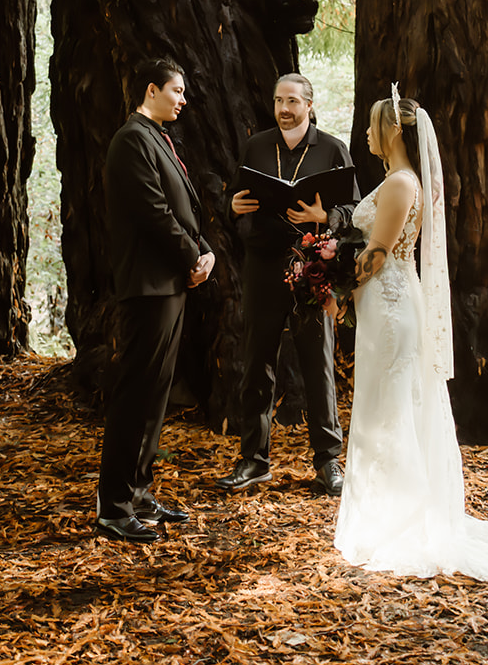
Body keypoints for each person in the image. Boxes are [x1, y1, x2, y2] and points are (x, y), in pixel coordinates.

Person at [329, 90, 488, 580]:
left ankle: (402, 522)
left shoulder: (402, 183)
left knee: (392, 408)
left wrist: (334, 286)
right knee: (384, 404)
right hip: (383, 302)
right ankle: (385, 515)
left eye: (371, 125)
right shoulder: (395, 180)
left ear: (395, 130)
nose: (365, 133)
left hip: (390, 302)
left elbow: (376, 254)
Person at [218, 73, 356, 498]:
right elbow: (237, 198)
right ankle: (253, 460)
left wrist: (324, 217)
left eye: (292, 101)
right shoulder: (257, 146)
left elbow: (355, 210)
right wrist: (233, 205)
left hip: (311, 266)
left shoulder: (333, 149)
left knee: (317, 363)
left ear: (309, 105)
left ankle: (328, 461)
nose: (283, 108)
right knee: (257, 361)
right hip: (262, 265)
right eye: (278, 100)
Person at [96, 57, 215, 544]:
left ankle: (139, 491)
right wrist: (191, 256)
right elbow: (153, 210)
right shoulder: (131, 140)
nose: (183, 100)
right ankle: (114, 506)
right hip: (147, 285)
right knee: (135, 394)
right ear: (151, 89)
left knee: (157, 393)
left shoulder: (157, 138)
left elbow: (183, 206)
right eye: (177, 90)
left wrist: (202, 250)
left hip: (169, 283)